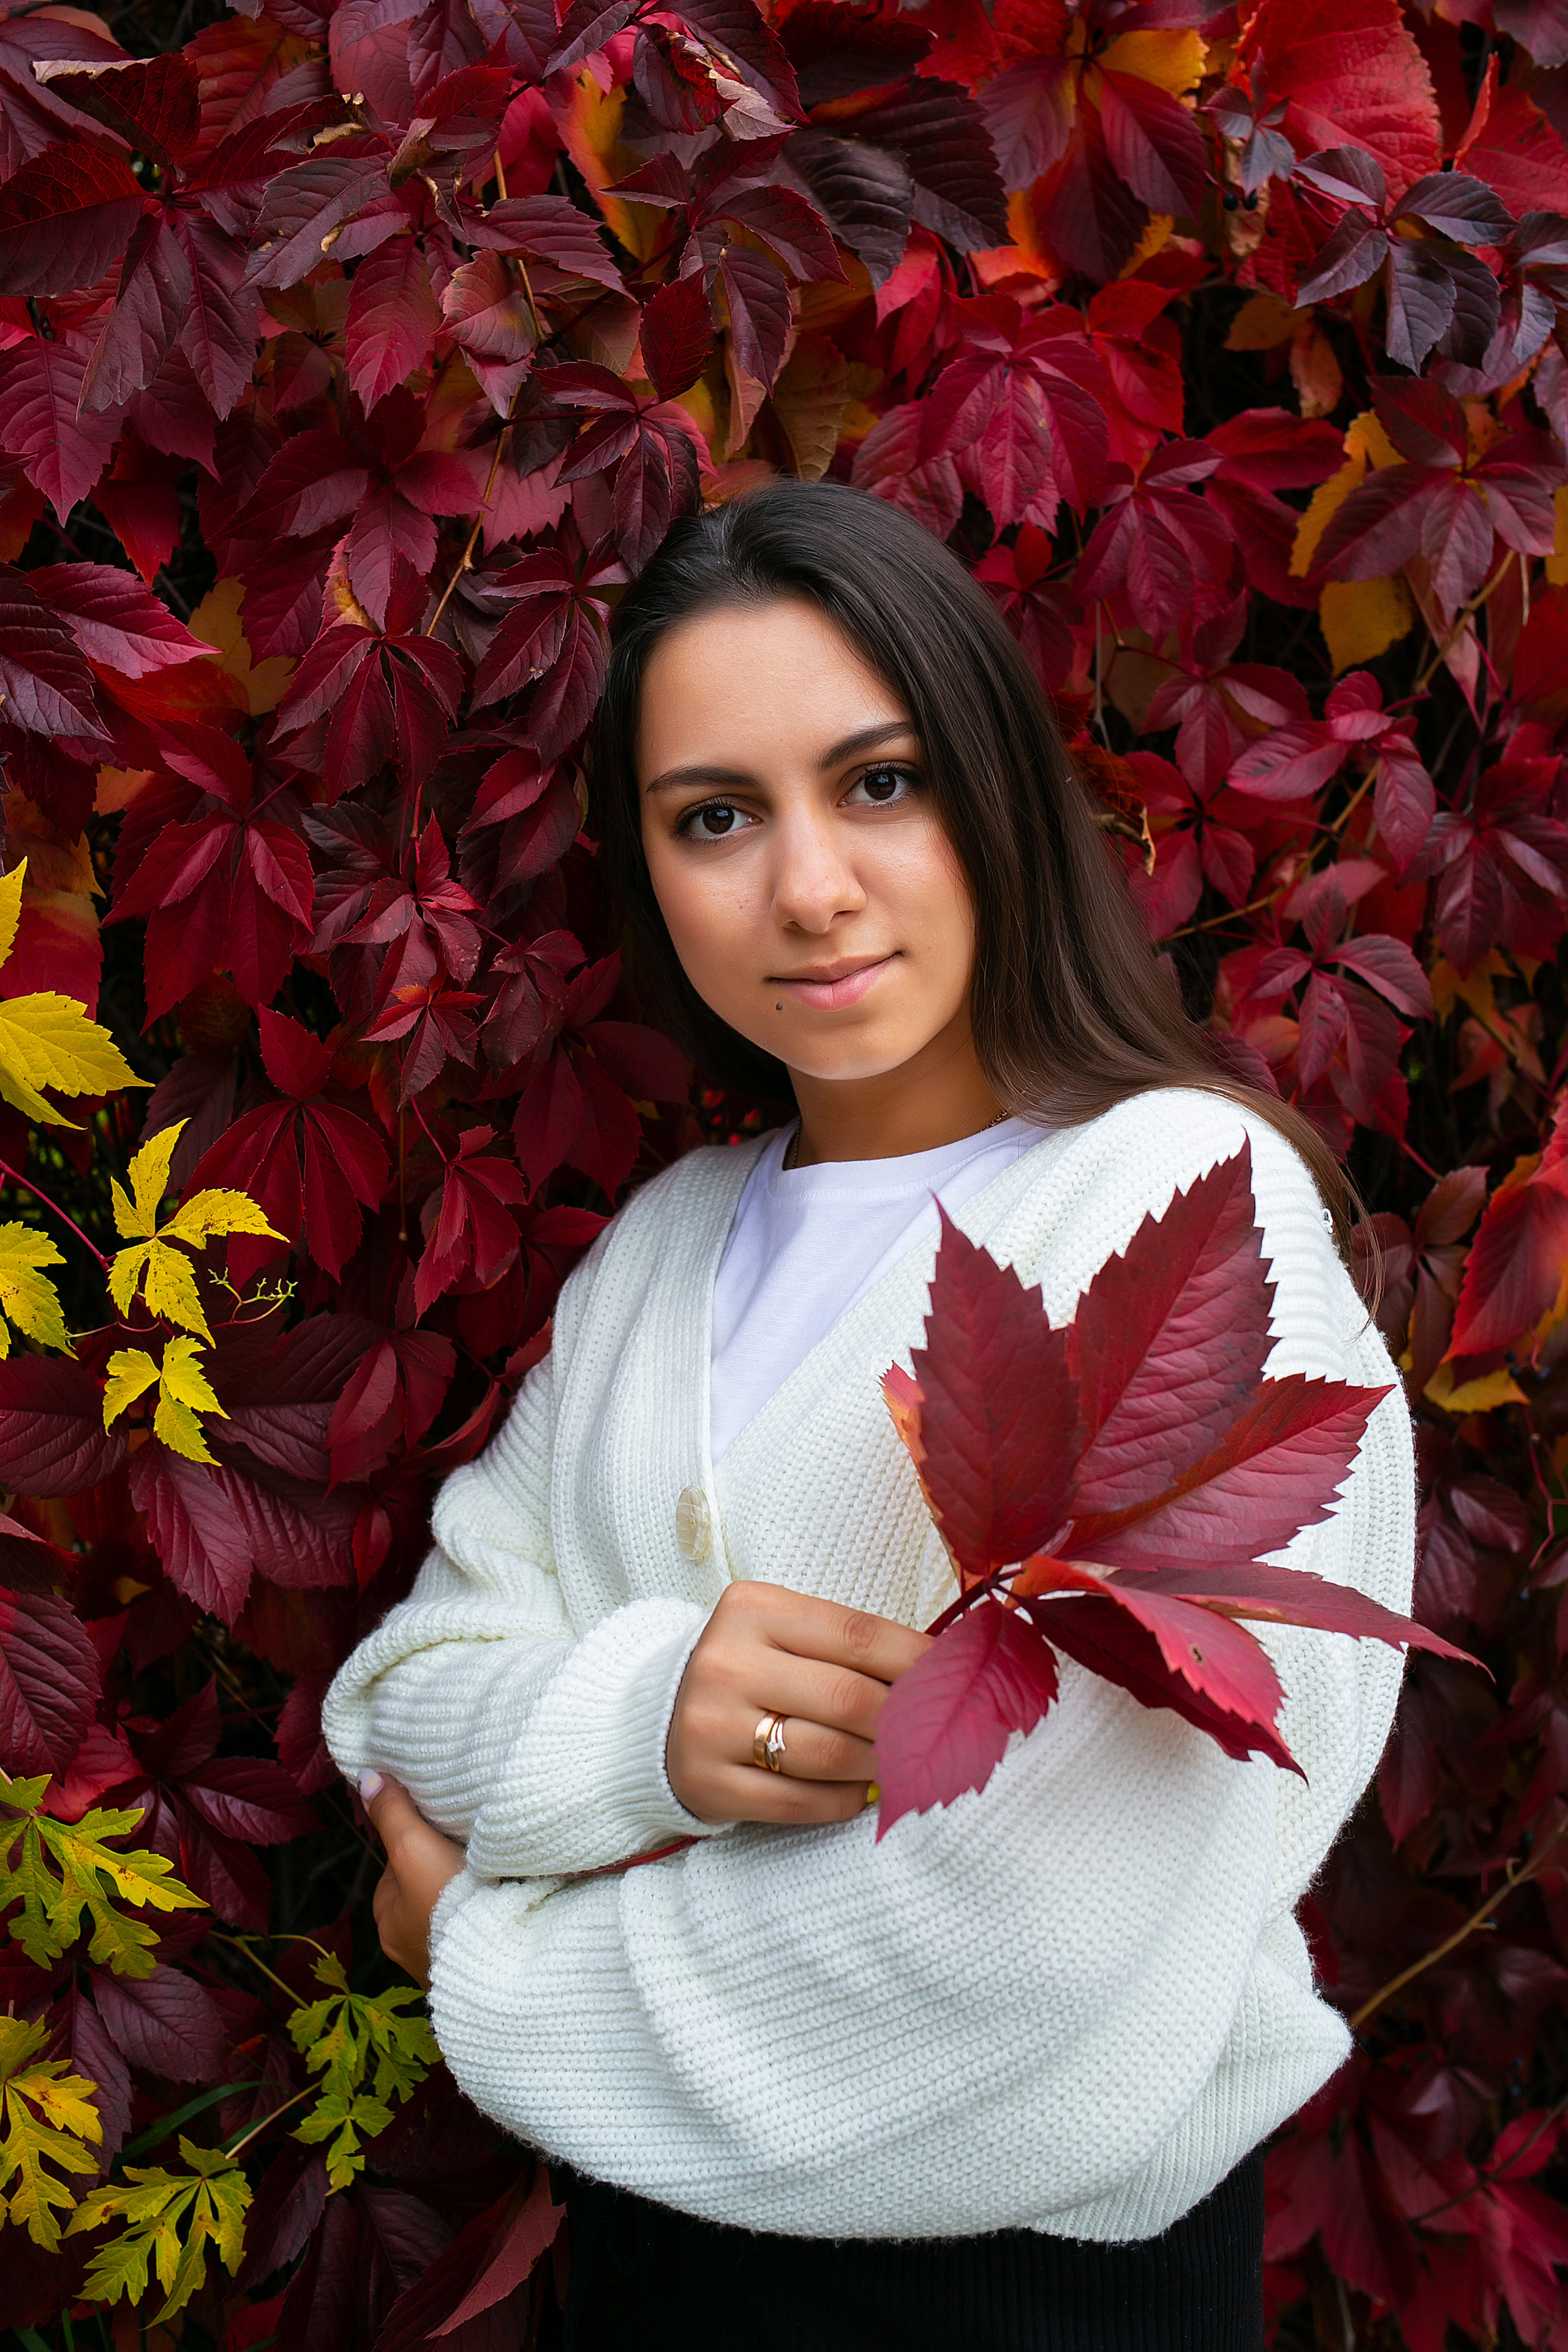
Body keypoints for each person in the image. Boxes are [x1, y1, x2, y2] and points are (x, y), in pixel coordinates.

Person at [323, 481, 1415, 2350]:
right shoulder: (667, 1250)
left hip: (1039, 2295)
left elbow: (1038, 1936)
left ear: (989, 788)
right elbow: (409, 1693)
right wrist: (646, 1728)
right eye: (718, 817)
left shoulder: (1177, 1210)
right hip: (657, 2272)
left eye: (880, 783)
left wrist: (482, 1960)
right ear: (650, 866)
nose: (808, 887)